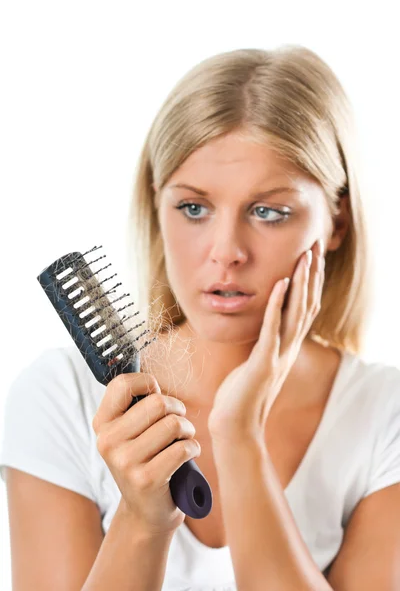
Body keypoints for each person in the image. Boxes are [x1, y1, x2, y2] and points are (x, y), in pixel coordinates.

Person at [1, 45, 400, 590]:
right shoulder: (60, 398)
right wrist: (143, 518)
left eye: (268, 211)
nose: (226, 251)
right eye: (193, 208)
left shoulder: (385, 417)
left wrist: (238, 434)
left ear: (336, 222)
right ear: (157, 206)